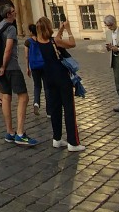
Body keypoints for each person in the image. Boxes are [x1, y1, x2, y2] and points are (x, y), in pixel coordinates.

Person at [35, 17, 84, 152]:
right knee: (68, 109)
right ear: (48, 27)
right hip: (62, 78)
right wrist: (68, 29)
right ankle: (73, 143)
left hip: (48, 79)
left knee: (55, 110)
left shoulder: (38, 42)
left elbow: (55, 41)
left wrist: (61, 29)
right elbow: (72, 43)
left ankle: (56, 139)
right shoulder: (54, 41)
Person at [0, 4, 37, 146]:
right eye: (13, 11)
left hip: (0, 68)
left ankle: (10, 132)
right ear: (8, 15)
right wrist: (4, 66)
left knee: (6, 97)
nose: (16, 13)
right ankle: (20, 133)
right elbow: (7, 50)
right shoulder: (11, 28)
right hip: (11, 67)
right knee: (23, 97)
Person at [24, 24, 45, 117]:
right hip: (44, 64)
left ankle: (36, 102)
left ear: (31, 31)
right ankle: (49, 111)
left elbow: (26, 56)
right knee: (47, 87)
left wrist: (27, 68)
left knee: (37, 86)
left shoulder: (28, 42)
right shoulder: (42, 40)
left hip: (34, 66)